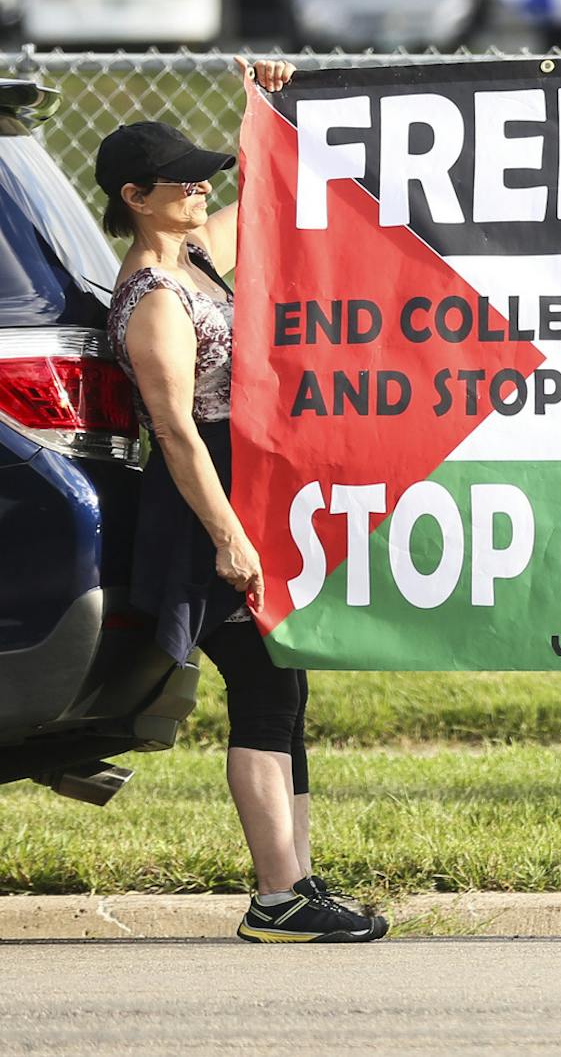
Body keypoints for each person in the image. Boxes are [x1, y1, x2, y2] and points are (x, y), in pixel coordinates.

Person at [99, 57, 388, 945]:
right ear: (136, 195)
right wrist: (228, 537)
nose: (199, 186)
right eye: (181, 179)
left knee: (284, 686)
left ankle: (296, 882)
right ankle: (276, 896)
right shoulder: (152, 299)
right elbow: (178, 432)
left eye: (200, 175)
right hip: (204, 504)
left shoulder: (193, 260)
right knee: (262, 688)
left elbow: (265, 187)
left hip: (248, 490)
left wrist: (268, 103)